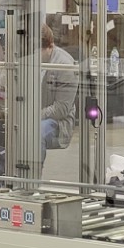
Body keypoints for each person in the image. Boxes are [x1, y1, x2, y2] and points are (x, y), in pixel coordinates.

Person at [38, 25, 79, 156]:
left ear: (50, 46)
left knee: (35, 133)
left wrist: (32, 116)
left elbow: (61, 109)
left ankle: (33, 168)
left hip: (57, 122)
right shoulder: (30, 61)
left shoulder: (64, 65)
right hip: (31, 116)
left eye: (38, 51)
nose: (34, 56)